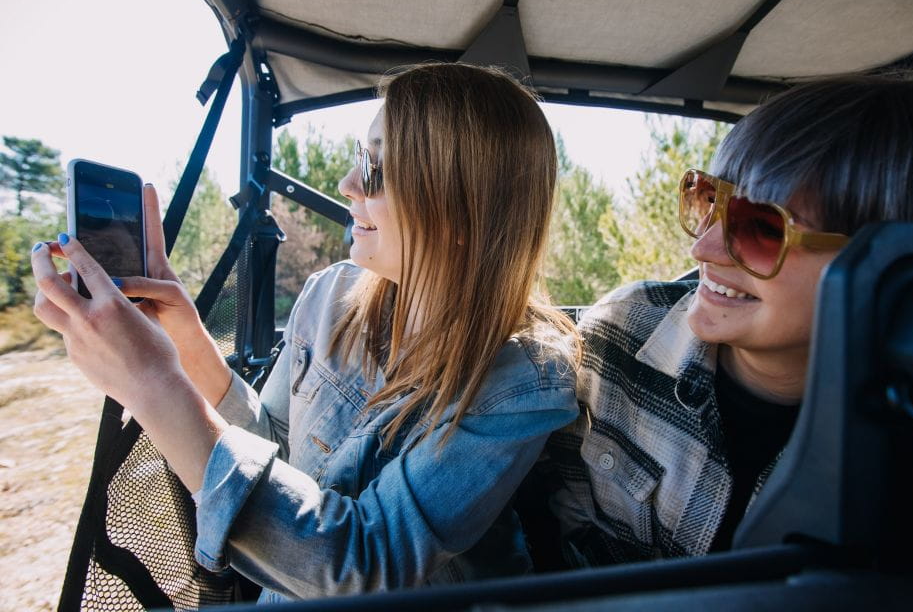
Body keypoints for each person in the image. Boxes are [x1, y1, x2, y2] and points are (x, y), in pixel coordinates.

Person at [31, 63, 581, 602]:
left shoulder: (521, 379)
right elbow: (280, 449)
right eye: (359, 159)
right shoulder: (331, 295)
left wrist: (154, 387)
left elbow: (366, 565)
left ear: (463, 205)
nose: (347, 184)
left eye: (375, 170)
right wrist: (189, 346)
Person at [543, 75, 913, 566]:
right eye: (707, 202)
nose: (703, 248)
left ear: (900, 270)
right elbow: (562, 548)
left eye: (761, 227)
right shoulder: (620, 338)